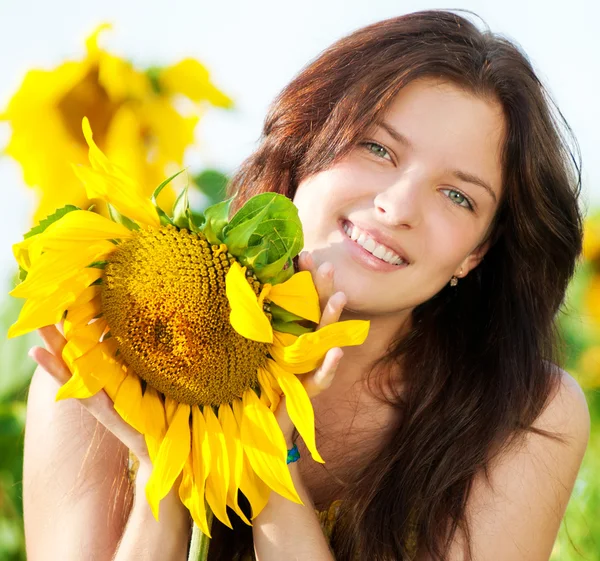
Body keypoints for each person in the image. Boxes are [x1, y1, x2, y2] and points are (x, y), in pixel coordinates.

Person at [23, 9, 590, 561]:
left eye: (458, 195)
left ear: (476, 252)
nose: (396, 207)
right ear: (304, 145)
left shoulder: (521, 413)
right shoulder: (104, 344)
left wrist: (273, 464)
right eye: (377, 148)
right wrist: (166, 471)